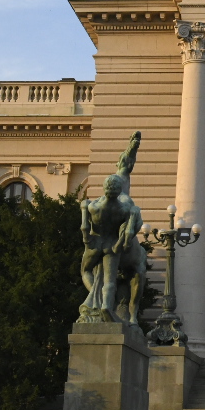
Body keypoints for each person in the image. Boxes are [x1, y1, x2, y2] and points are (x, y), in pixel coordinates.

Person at [79, 131, 147, 324]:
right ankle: (105, 306)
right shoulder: (125, 204)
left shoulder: (94, 205)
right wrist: (123, 241)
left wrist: (86, 235)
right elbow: (136, 223)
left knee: (85, 270)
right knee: (109, 281)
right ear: (119, 188)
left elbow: (85, 225)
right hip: (113, 245)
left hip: (96, 241)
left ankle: (96, 298)